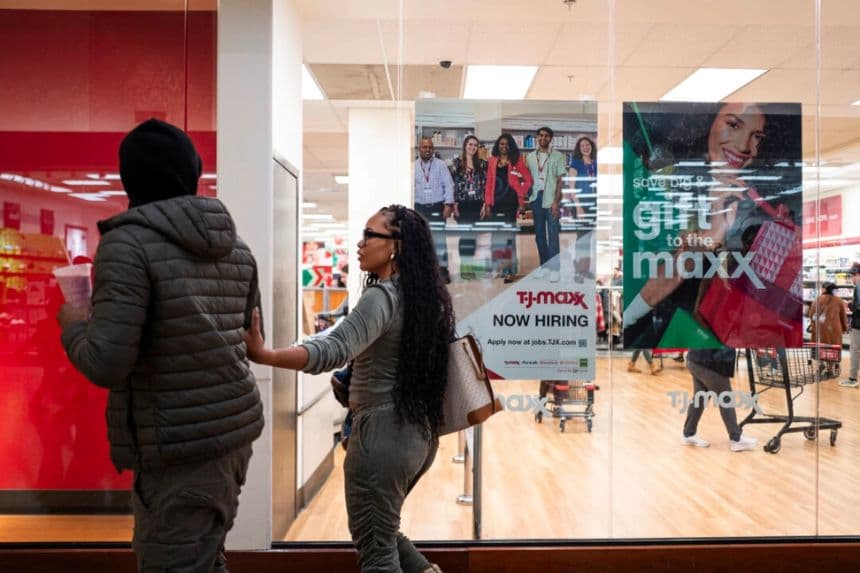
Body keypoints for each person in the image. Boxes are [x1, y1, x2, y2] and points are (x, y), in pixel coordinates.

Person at [57, 119, 264, 572]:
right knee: (206, 558)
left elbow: (107, 362)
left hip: (178, 443)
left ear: (130, 177)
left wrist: (73, 323)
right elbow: (251, 336)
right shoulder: (238, 248)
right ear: (191, 172)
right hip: (232, 434)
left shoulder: (127, 245)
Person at [245, 205, 453, 573]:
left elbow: (333, 349)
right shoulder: (424, 300)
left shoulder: (382, 296)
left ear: (396, 246)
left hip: (382, 437)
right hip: (418, 436)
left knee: (376, 550)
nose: (360, 243)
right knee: (384, 534)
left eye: (370, 235)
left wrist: (266, 354)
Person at [623, 102, 800, 349]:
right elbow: (673, 268)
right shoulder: (674, 181)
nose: (743, 146)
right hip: (672, 328)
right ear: (708, 123)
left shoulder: (756, 198)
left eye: (756, 136)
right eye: (733, 125)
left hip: (720, 333)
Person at [681, 348, 758, 452]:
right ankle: (736, 440)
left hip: (695, 358)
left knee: (700, 397)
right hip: (708, 362)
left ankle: (688, 434)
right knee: (726, 398)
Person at [481, 133, 533, 281]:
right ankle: (501, 268)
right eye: (501, 144)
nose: (504, 146)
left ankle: (511, 270)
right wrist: (488, 203)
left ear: (511, 146)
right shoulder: (492, 161)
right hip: (496, 204)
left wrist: (521, 196)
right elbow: (489, 184)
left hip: (510, 204)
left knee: (509, 238)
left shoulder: (517, 161)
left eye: (506, 144)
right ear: (498, 145)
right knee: (496, 238)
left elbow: (528, 180)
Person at [525, 127, 567, 282]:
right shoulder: (529, 157)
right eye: (541, 135)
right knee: (540, 235)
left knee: (553, 234)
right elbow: (527, 178)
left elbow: (560, 180)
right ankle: (544, 267)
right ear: (537, 138)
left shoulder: (558, 156)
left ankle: (555, 269)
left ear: (551, 139)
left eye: (546, 136)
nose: (543, 138)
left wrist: (556, 202)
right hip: (536, 198)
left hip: (551, 198)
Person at [414, 137, 456, 275]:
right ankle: (424, 272)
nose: (427, 150)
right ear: (419, 149)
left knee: (439, 239)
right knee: (420, 240)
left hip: (437, 206)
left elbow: (449, 185)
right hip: (419, 208)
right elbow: (410, 187)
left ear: (433, 149)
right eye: (424, 147)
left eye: (430, 147)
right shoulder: (413, 166)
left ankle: (443, 270)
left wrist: (448, 205)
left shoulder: (440, 164)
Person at [450, 135, 488, 273]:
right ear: (465, 145)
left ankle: (470, 266)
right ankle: (465, 268)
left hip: (477, 204)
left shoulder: (483, 164)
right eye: (470, 144)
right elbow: (451, 185)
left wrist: (484, 204)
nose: (472, 147)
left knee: (474, 236)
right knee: (466, 236)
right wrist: (454, 204)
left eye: (475, 145)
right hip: (462, 204)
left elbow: (486, 185)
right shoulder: (457, 163)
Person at [567, 136, 597, 281]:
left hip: (594, 203)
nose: (585, 147)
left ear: (591, 146)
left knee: (589, 237)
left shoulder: (596, 164)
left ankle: (585, 270)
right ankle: (578, 272)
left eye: (587, 144)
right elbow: (571, 188)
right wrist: (578, 207)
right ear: (579, 150)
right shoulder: (576, 164)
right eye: (582, 146)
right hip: (580, 203)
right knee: (581, 238)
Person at [808, 281, 848, 377]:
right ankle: (830, 369)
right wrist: (845, 328)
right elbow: (843, 316)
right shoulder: (839, 301)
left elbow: (811, 315)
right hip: (834, 329)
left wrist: (813, 324)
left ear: (824, 289)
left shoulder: (817, 300)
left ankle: (821, 364)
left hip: (820, 329)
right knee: (832, 347)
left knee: (820, 346)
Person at [839, 263, 860, 388]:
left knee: (854, 350)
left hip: (858, 324)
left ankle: (852, 379)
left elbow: (858, 307)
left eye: (852, 276)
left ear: (857, 274)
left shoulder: (858, 287)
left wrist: (849, 305)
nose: (851, 279)